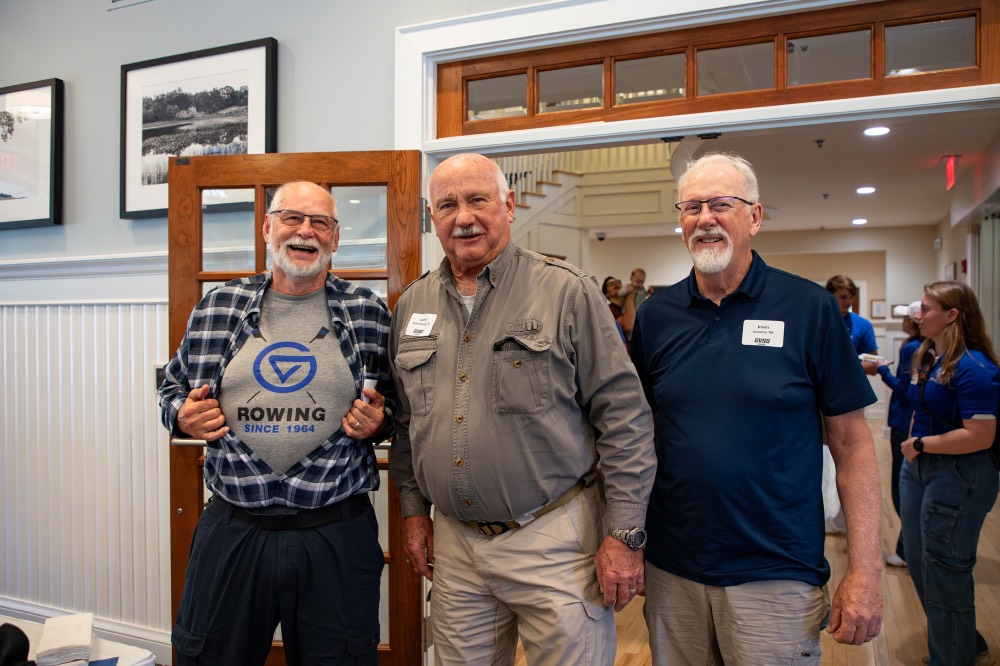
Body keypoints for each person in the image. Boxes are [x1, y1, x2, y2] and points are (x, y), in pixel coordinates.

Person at [389, 153, 656, 665]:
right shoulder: (412, 305)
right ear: (431, 217)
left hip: (554, 542)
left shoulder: (566, 291)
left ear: (509, 206)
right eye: (447, 204)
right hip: (456, 548)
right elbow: (407, 424)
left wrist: (624, 535)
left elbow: (625, 420)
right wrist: (414, 513)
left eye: (477, 200)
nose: (463, 216)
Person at [629, 152, 884, 664]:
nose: (705, 219)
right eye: (692, 206)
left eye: (721, 204)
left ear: (755, 217)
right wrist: (626, 540)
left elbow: (853, 445)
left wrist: (866, 570)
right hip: (673, 569)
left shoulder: (808, 308)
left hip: (777, 571)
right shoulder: (657, 317)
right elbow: (637, 438)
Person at [158, 181, 394, 665]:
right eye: (292, 218)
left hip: (336, 532)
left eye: (320, 222)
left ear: (335, 237)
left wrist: (379, 422)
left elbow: (400, 410)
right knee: (209, 657)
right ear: (268, 228)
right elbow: (172, 389)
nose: (305, 231)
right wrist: (181, 414)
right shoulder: (217, 307)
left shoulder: (368, 312)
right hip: (234, 528)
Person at [899, 281, 1000, 666]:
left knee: (945, 569)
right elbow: (919, 406)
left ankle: (952, 658)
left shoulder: (975, 368)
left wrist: (921, 445)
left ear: (952, 315)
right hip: (920, 467)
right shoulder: (930, 358)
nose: (917, 315)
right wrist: (915, 446)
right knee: (920, 558)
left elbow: (980, 435)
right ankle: (962, 641)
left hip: (958, 474)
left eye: (926, 309)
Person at [875, 300, 923, 567]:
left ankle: (906, 549)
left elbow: (904, 390)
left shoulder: (913, 348)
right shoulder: (921, 346)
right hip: (910, 423)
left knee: (901, 486)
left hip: (903, 422)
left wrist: (881, 369)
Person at [826, 274, 879, 375]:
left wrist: (840, 368)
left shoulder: (863, 325)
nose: (849, 302)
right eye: (843, 297)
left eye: (851, 297)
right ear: (830, 296)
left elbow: (873, 367)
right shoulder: (817, 321)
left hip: (850, 387)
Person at [602, 274, 636, 341]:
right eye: (611, 284)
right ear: (606, 294)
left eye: (618, 282)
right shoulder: (608, 310)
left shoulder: (628, 307)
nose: (615, 284)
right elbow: (628, 326)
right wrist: (629, 296)